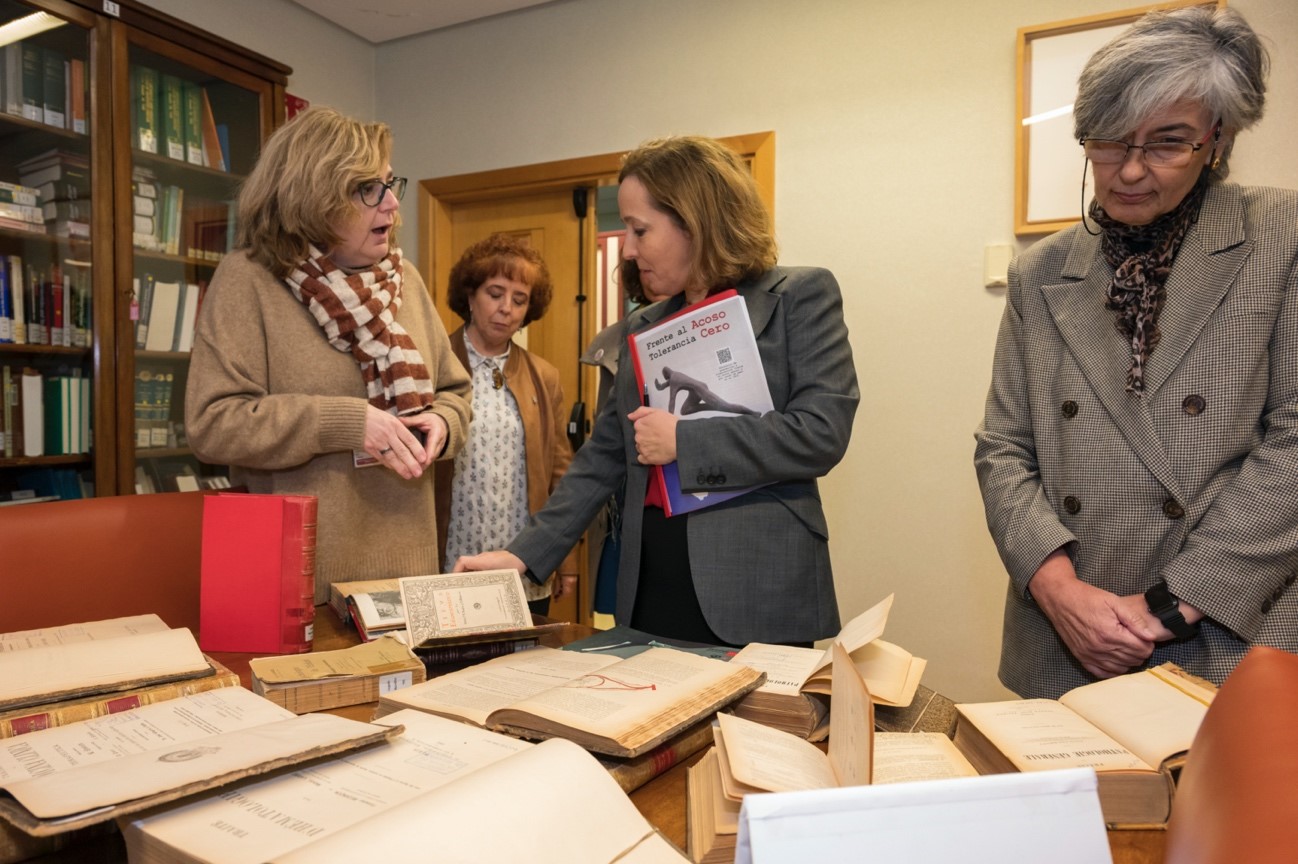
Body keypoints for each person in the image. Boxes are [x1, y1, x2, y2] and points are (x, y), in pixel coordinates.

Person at [974, 6, 1298, 700]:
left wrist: (1171, 606)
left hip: (1228, 628)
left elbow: (1295, 441)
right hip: (1069, 637)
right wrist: (1059, 592)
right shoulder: (1043, 272)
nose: (1127, 171)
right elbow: (1003, 448)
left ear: (1217, 138)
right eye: (1107, 143)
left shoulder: (1280, 234)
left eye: (1165, 144)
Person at [456, 135, 859, 646]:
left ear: (695, 222)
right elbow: (604, 454)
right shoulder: (640, 326)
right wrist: (524, 554)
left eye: (639, 229)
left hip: (756, 588)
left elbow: (821, 433)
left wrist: (685, 442)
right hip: (650, 585)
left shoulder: (799, 297)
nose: (627, 249)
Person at [186, 106, 472, 605]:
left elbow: (455, 392)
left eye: (390, 184)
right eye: (368, 190)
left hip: (409, 579)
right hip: (297, 584)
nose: (391, 207)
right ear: (314, 196)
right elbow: (214, 422)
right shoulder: (248, 280)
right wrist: (347, 423)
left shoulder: (407, 283)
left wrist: (444, 423)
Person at [434, 234, 579, 617]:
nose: (507, 310)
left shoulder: (544, 376)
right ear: (469, 295)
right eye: (495, 294)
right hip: (449, 558)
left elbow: (562, 473)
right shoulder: (434, 364)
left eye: (519, 300)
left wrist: (566, 560)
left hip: (524, 564)